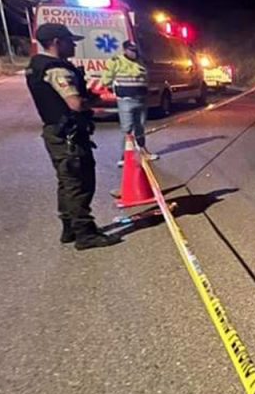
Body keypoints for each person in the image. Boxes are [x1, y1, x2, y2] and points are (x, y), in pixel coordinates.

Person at [26, 23, 120, 250]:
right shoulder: (57, 70)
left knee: (67, 182)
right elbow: (75, 103)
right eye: (70, 41)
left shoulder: (38, 66)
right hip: (68, 135)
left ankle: (70, 228)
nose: (74, 45)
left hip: (57, 132)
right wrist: (94, 101)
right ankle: (85, 234)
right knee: (80, 183)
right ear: (56, 42)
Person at [101, 40, 157, 166]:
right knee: (127, 129)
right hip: (126, 100)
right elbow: (106, 80)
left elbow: (146, 79)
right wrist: (113, 89)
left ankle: (143, 151)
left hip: (141, 100)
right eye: (131, 51)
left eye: (136, 51)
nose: (134, 53)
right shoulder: (116, 62)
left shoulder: (141, 62)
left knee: (140, 127)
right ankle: (125, 156)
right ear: (125, 50)